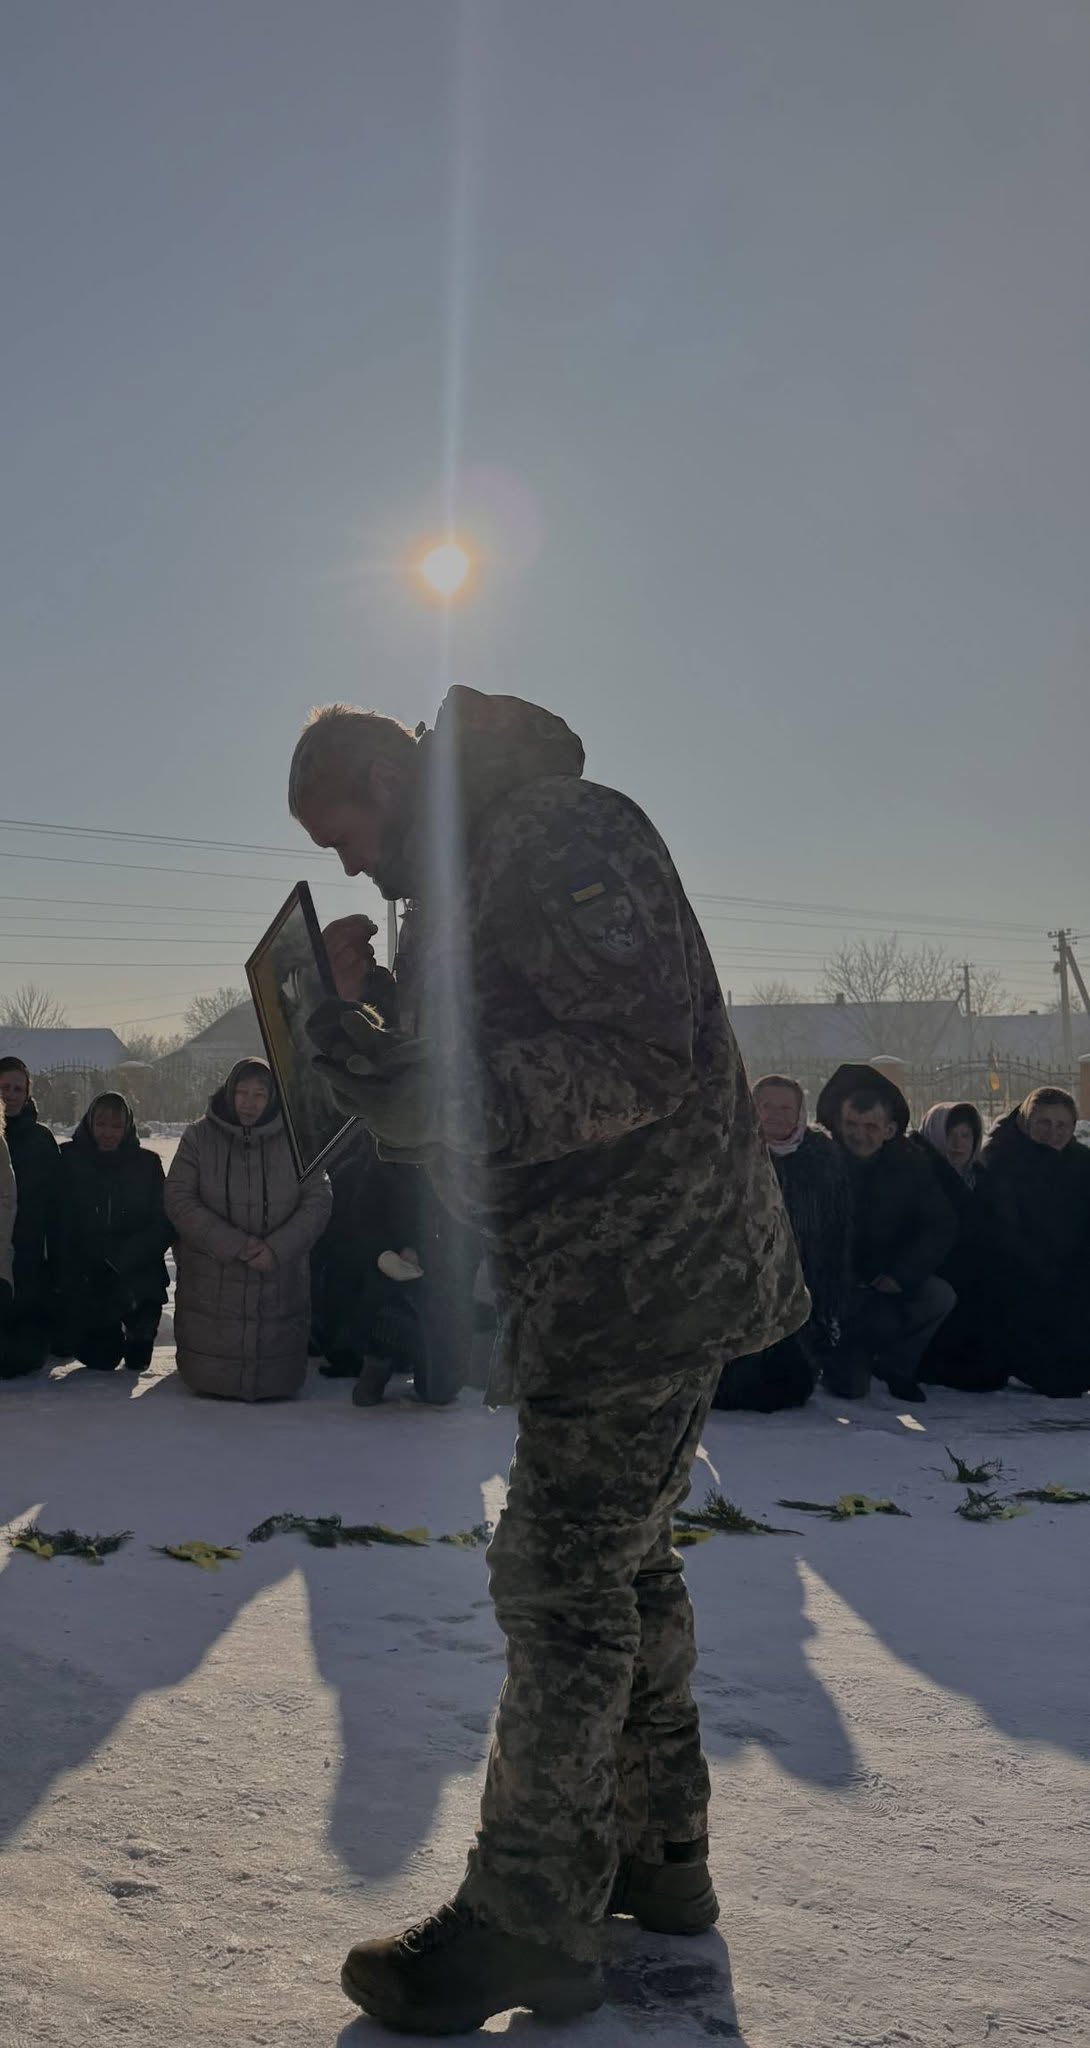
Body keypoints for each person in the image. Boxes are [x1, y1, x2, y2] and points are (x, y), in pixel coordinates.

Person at [289, 686, 808, 2033]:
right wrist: (361, 1019)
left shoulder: (553, 829)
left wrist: (419, 1074)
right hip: (600, 1286)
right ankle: (659, 1861)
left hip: (646, 1271)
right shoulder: (471, 876)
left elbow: (630, 1056)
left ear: (384, 779)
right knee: (625, 1565)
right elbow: (474, 1068)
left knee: (560, 1577)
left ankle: (527, 1921)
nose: (347, 866)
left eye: (341, 833)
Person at [165, 1057, 332, 1401]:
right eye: (241, 1092)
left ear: (272, 1097)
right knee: (209, 1374)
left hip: (278, 1288)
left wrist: (277, 1249)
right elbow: (179, 1197)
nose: (248, 1102)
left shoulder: (297, 1139)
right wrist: (233, 1244)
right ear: (229, 1093)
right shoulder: (199, 1137)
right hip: (212, 1280)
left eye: (259, 1094)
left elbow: (318, 1200)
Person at [816, 1063, 957, 1403]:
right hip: (835, 1289)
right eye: (850, 1124)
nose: (859, 1135)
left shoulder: (911, 1164)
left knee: (940, 1295)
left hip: (887, 1279)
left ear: (890, 1129)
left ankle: (897, 1365)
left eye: (870, 1126)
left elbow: (939, 1224)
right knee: (851, 1390)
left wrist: (901, 1274)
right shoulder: (818, 1161)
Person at [714, 1074, 851, 1412]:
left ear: (799, 1112)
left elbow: (836, 1233)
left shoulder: (823, 1158)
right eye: (767, 1106)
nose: (775, 1114)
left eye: (785, 1107)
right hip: (737, 1286)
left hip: (800, 1287)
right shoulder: (729, 1149)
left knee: (788, 1387)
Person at [310, 1128, 474, 1406]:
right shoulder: (369, 1167)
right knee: (385, 1297)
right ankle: (378, 1360)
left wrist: (424, 1255)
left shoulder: (452, 1168)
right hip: (383, 1265)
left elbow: (460, 1228)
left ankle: (422, 1365)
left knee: (440, 1390)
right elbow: (355, 1224)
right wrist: (388, 1253)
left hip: (440, 1268)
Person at [978, 1087, 1090, 1397]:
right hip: (1018, 1276)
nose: (1053, 1133)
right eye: (1044, 1123)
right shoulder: (1002, 1160)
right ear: (1027, 1123)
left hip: (1070, 1274)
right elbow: (1003, 1232)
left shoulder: (1081, 1162)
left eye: (1062, 1125)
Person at [53, 1093, 171, 1373]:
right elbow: (59, 1220)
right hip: (88, 1270)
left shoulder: (147, 1164)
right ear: (90, 1124)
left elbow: (163, 1223)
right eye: (101, 1124)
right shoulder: (69, 1159)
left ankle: (141, 1328)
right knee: (101, 1358)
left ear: (128, 1127)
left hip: (135, 1267)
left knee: (137, 1361)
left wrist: (122, 1259)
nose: (108, 1133)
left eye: (116, 1126)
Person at [912, 1102, 1008, 1393]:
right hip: (934, 1275)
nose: (958, 1144)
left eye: (966, 1136)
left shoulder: (982, 1178)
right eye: (950, 1134)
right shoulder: (919, 1174)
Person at [0, 1056, 61, 1379]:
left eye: (17, 1088)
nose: (10, 1094)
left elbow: (57, 1200)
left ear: (27, 1094)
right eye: (4, 1087)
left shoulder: (41, 1140)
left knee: (25, 1357)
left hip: (29, 1258)